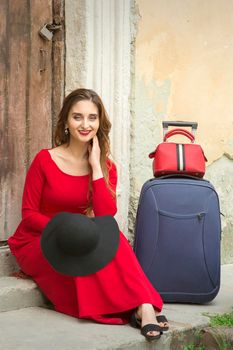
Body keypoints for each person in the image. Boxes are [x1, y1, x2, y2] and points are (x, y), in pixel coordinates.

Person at [8, 88, 169, 341]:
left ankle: (144, 307)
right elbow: (29, 214)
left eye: (92, 118)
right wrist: (68, 229)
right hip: (42, 237)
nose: (85, 124)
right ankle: (140, 305)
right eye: (77, 117)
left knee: (110, 235)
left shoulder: (105, 166)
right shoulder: (45, 160)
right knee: (84, 250)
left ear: (99, 122)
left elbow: (106, 215)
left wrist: (96, 167)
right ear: (66, 122)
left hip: (83, 235)